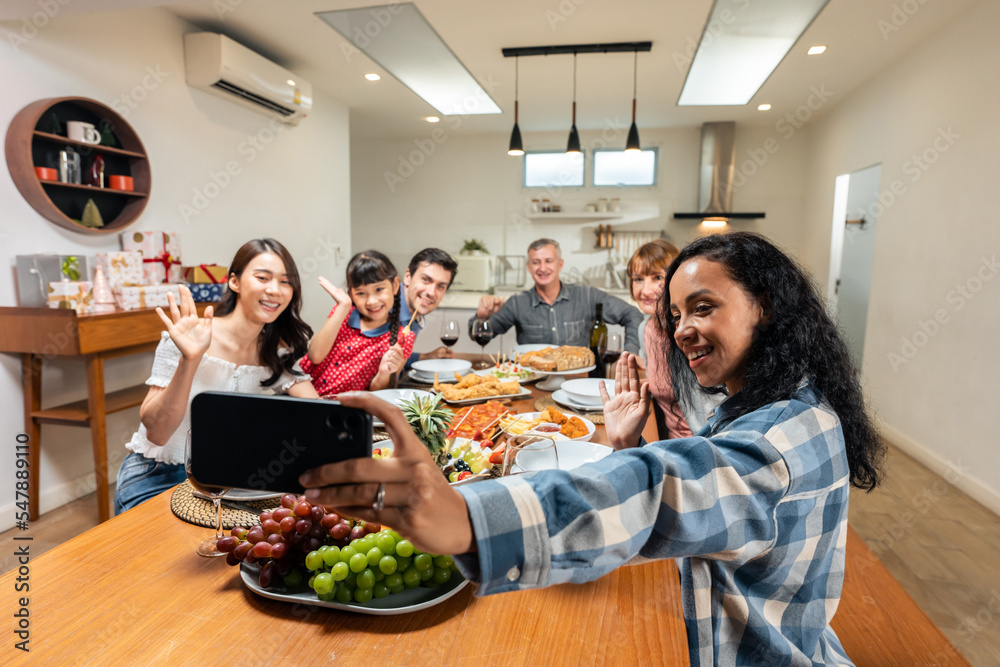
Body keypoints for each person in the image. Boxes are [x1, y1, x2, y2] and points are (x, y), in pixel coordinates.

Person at [300, 232, 886, 667]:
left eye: (703, 308)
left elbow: (660, 490)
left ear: (769, 306)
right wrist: (625, 443)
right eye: (675, 315)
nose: (681, 329)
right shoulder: (787, 404)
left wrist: (465, 519)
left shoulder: (774, 443)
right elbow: (696, 490)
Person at [113, 238, 319, 514]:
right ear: (234, 281)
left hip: (226, 481)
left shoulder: (275, 353)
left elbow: (319, 414)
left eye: (286, 281)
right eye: (262, 278)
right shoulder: (189, 336)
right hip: (157, 475)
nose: (275, 290)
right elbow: (157, 433)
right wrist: (190, 359)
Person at [472, 238, 644, 353]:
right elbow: (480, 338)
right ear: (529, 267)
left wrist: (631, 353)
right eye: (536, 262)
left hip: (578, 379)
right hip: (534, 380)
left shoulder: (587, 296)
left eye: (548, 261)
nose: (542, 268)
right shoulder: (517, 303)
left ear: (560, 264)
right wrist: (481, 317)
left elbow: (632, 314)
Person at [627, 239, 723, 438]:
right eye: (638, 279)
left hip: (702, 444)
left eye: (657, 277)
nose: (645, 290)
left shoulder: (689, 333)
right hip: (666, 441)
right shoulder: (645, 329)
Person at [300, 250, 415, 396]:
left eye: (379, 289)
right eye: (361, 293)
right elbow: (315, 355)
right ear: (351, 293)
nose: (371, 301)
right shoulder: (343, 312)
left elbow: (377, 394)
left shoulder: (404, 338)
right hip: (302, 396)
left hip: (341, 410)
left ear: (395, 285)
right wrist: (342, 307)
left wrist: (384, 373)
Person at [398, 248, 459, 372]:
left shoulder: (415, 312)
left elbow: (396, 359)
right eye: (426, 280)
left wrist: (424, 357)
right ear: (408, 277)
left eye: (441, 286)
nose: (431, 293)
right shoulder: (383, 308)